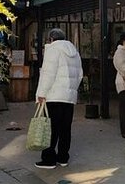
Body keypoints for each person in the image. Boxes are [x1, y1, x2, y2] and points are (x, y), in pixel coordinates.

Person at [34, 28, 83, 169]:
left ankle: (49, 159)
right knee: (65, 128)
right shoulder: (74, 52)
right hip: (69, 96)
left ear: (51, 39)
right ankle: (63, 157)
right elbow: (80, 74)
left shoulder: (53, 50)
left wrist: (41, 93)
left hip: (54, 95)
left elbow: (48, 73)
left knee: (51, 128)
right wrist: (72, 89)